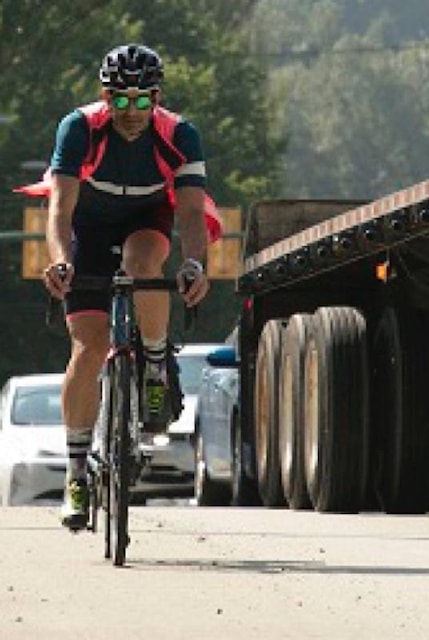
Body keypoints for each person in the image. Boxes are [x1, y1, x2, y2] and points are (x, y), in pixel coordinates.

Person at [27, 44, 214, 529]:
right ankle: (76, 476)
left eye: (141, 101)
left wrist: (195, 263)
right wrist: (61, 262)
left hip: (146, 220)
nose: (131, 113)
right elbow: (60, 212)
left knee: (143, 259)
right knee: (88, 349)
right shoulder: (79, 129)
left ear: (157, 97)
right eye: (120, 101)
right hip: (86, 231)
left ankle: (154, 363)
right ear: (104, 97)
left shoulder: (179, 134)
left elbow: (192, 213)